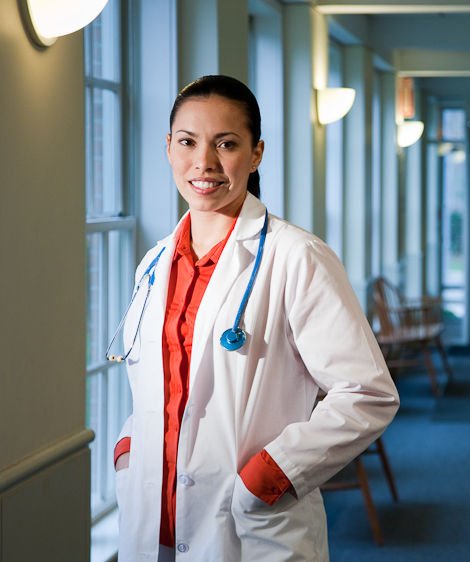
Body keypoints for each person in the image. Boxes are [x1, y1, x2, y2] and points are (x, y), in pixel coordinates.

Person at [110, 75, 399, 562]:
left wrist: (269, 476)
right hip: (152, 518)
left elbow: (367, 393)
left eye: (226, 144)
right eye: (187, 142)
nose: (203, 162)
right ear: (168, 147)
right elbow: (163, 387)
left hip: (249, 528)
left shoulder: (296, 257)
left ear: (256, 153)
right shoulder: (154, 263)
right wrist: (128, 452)